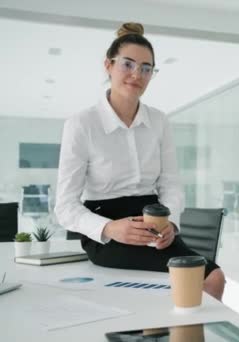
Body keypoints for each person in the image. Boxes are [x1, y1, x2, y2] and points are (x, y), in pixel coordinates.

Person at [54, 22, 225, 300]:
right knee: (178, 285)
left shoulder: (159, 121)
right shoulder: (81, 124)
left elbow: (170, 184)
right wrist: (109, 227)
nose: (137, 74)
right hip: (107, 229)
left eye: (146, 68)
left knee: (213, 278)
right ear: (108, 65)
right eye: (128, 64)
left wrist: (171, 225)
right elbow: (65, 207)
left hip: (155, 226)